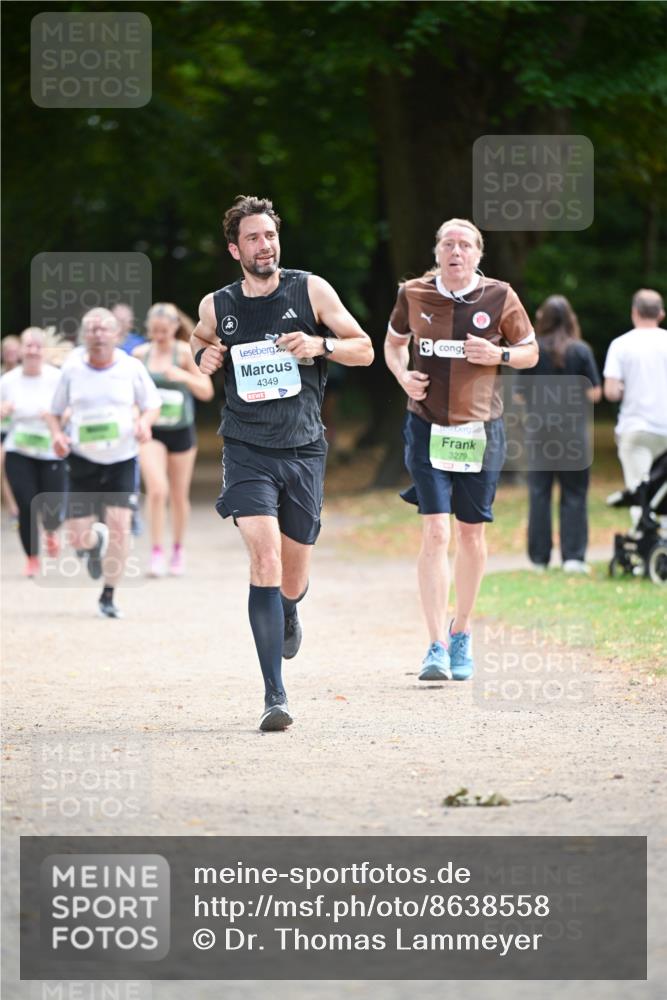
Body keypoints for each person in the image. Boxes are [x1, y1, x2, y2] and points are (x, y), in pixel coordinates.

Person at [190, 194, 373, 732]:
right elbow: (196, 347)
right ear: (235, 248)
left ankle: (289, 609)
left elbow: (362, 347)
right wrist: (203, 358)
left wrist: (320, 346)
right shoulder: (217, 306)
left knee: (292, 574)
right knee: (264, 559)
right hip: (246, 448)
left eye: (269, 235)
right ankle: (275, 695)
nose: (264, 244)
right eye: (252, 237)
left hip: (303, 449)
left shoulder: (309, 289)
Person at [384, 217, 538, 682]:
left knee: (471, 536)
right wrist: (401, 375)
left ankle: (462, 631)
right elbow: (393, 344)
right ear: (436, 252)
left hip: (480, 431)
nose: (456, 251)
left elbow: (531, 351)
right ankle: (434, 643)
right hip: (426, 425)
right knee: (435, 533)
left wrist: (500, 356)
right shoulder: (413, 293)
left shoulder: (500, 296)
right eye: (447, 243)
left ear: (478, 254)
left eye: (465, 245)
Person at [45, 307, 161, 618]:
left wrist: (145, 424)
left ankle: (108, 595)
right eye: (91, 329)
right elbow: (54, 412)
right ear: (84, 335)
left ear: (115, 335)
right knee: (78, 536)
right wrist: (57, 435)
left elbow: (152, 405)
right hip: (82, 459)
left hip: (121, 458)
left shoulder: (131, 367)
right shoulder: (71, 369)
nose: (97, 334)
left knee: (121, 527)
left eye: (103, 329)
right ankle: (93, 544)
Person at [516, 295, 602, 573]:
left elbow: (517, 396)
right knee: (575, 492)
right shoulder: (581, 351)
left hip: (539, 431)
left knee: (539, 493)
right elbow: (595, 393)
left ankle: (540, 558)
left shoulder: (533, 351)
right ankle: (573, 558)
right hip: (574, 433)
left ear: (543, 319)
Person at [133, 303, 214, 576]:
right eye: (154, 330)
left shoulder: (184, 353)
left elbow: (206, 390)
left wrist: (182, 375)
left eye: (164, 330)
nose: (159, 335)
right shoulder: (140, 355)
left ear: (175, 327)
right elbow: (130, 393)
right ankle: (156, 551)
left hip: (181, 430)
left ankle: (178, 549)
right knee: (157, 490)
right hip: (152, 431)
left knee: (178, 495)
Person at [0, 328, 66, 576]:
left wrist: (56, 418)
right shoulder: (8, 381)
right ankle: (32, 557)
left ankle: (50, 531)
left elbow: (69, 410)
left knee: (52, 504)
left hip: (51, 449)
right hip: (19, 449)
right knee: (26, 504)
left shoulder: (56, 378)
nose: (33, 350)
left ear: (44, 350)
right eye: (28, 346)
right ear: (20, 350)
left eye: (38, 346)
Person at [603, 289, 667, 525]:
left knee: (640, 493)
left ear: (635, 312)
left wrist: (622, 389)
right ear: (660, 313)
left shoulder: (621, 345)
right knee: (663, 495)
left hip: (636, 429)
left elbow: (610, 391)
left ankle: (644, 548)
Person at [1, 334, 23, 520]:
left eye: (14, 351)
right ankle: (12, 507)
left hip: (23, 429)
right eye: (7, 351)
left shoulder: (26, 375)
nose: (10, 354)